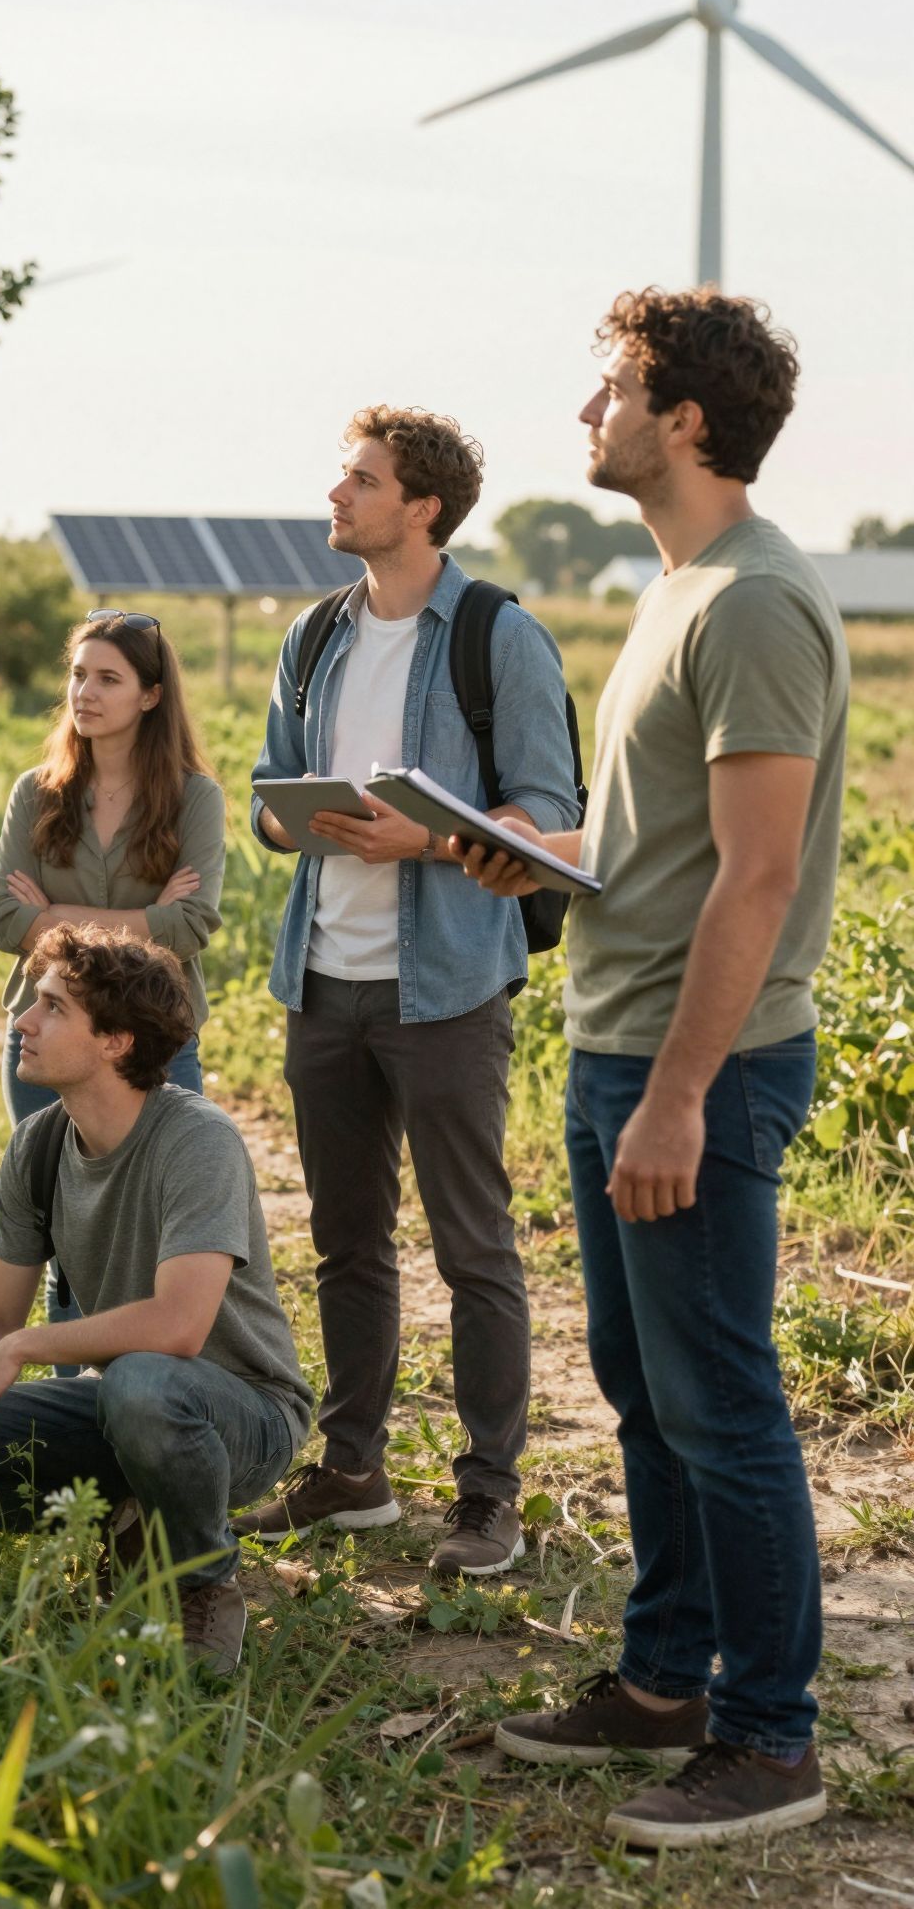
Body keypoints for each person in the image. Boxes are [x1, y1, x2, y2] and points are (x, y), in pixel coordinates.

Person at [465, 289, 848, 1849]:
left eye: (613, 385)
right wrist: (522, 849)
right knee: (643, 1392)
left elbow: (758, 882)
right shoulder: (679, 590)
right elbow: (660, 851)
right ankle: (663, 1680)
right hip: (615, 1042)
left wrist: (684, 1094)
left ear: (685, 418)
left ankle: (770, 1740)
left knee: (723, 1402)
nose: (587, 413)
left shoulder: (755, 601)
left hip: (698, 1067)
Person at [235, 407, 580, 1573]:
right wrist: (297, 817)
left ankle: (490, 1495)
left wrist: (420, 844)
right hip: (322, 979)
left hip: (448, 987)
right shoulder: (316, 634)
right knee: (344, 1241)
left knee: (473, 1246)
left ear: (421, 505)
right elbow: (265, 803)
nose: (337, 495)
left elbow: (546, 815)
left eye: (361, 479)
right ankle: (353, 1470)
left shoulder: (498, 636)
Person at [0, 926, 313, 1676]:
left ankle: (202, 1586)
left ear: (115, 1041)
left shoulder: (197, 1140)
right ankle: (133, 1519)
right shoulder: (41, 1145)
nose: (24, 1021)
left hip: (240, 1414)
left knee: (144, 1385)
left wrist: (21, 1351)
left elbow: (178, 1327)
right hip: (121, 1403)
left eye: (51, 1007)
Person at [0, 609, 225, 1347]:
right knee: (61, 1232)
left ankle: (142, 1405)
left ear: (150, 695)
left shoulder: (194, 798)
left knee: (159, 1231)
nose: (84, 692)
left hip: (157, 1045)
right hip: (45, 1039)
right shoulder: (38, 790)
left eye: (108, 679)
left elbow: (193, 926)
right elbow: (0, 917)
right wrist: (144, 918)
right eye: (78, 674)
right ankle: (65, 1417)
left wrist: (53, 916)